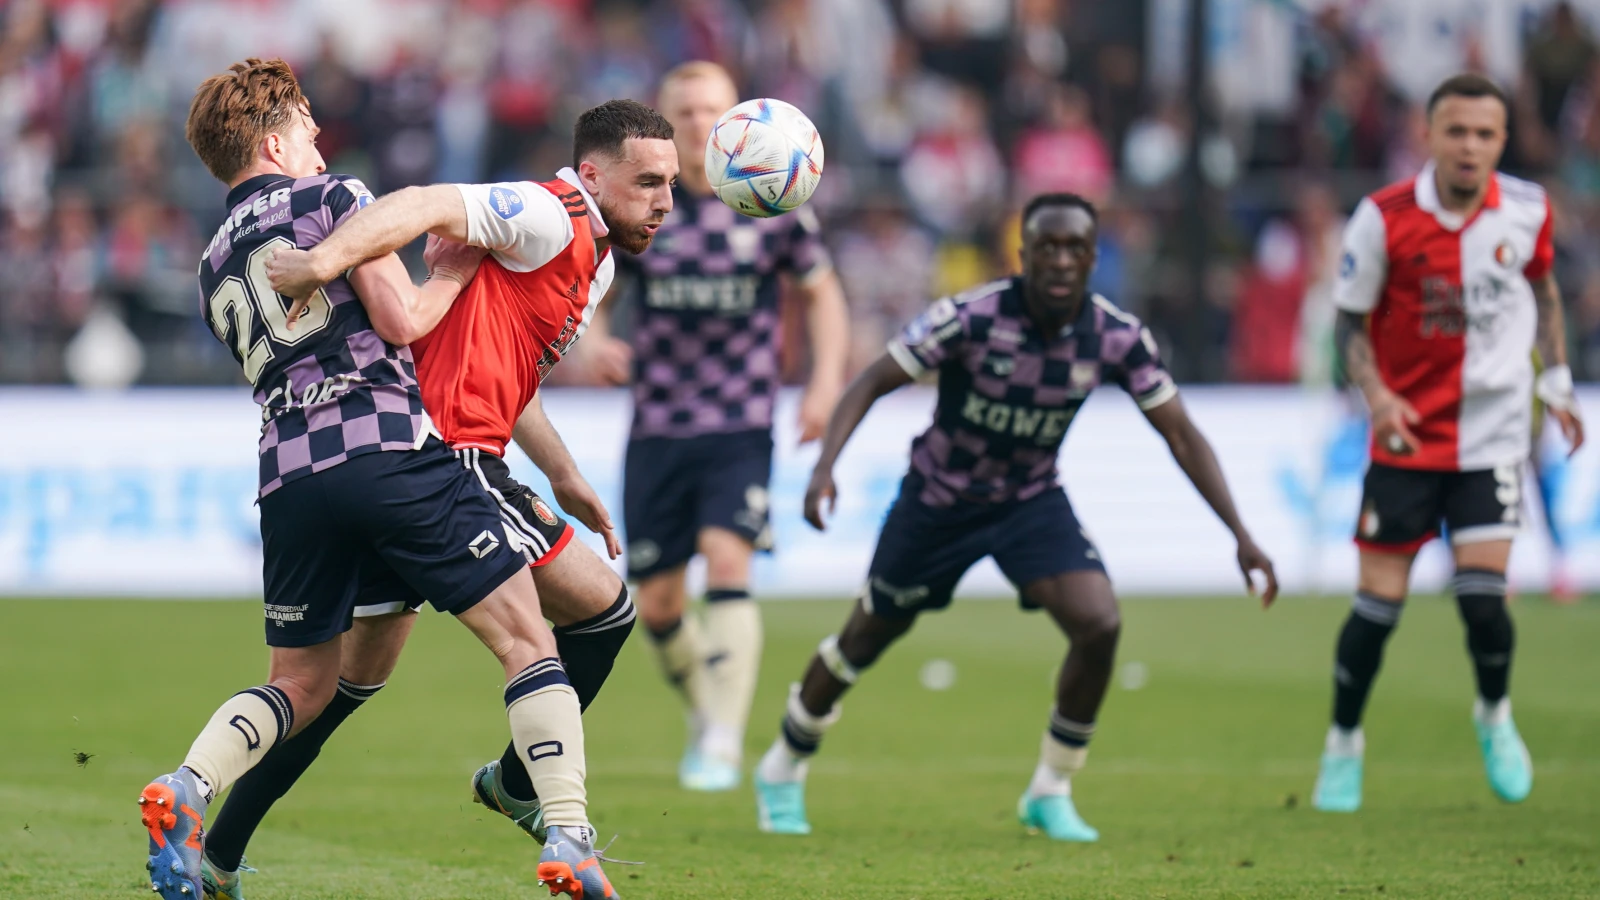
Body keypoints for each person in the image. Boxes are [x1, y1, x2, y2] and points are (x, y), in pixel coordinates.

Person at [143, 58, 621, 900]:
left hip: (287, 477)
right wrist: (449, 275)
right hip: (390, 453)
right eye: (306, 127)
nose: (319, 141)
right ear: (273, 139)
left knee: (300, 683)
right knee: (525, 639)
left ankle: (186, 788)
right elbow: (400, 321)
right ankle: (572, 835)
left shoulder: (212, 259)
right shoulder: (333, 200)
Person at [749, 193, 1279, 840]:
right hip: (939, 503)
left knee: (1099, 622)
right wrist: (825, 466)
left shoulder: (1117, 335)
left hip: (1029, 501)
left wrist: (1242, 534)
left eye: (1074, 248)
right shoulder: (969, 318)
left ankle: (1051, 789)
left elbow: (1182, 435)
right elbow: (870, 382)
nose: (1060, 260)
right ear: (1022, 255)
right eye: (1046, 248)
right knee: (866, 637)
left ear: (1092, 258)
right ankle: (783, 763)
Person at [261, 95, 678, 896]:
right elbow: (418, 204)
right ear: (592, 175)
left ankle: (214, 849)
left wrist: (562, 473)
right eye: (649, 182)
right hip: (443, 463)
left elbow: (510, 375)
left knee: (334, 692)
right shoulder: (543, 212)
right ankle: (543, 807)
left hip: (422, 461)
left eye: (672, 185)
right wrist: (321, 262)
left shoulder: (599, 261)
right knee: (582, 620)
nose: (664, 201)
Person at [1314, 73, 1585, 814]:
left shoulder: (1528, 210)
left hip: (1492, 437)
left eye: (1485, 133)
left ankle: (1494, 716)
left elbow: (1544, 287)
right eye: (1456, 131)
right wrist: (1377, 396)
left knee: (1483, 603)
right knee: (1377, 610)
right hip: (1404, 438)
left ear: (1503, 140)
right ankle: (1343, 740)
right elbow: (1348, 322)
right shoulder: (1382, 218)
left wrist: (1556, 378)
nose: (1470, 146)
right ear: (1429, 135)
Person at [582, 61, 849, 791]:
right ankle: (708, 712)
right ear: (663, 125)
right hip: (659, 424)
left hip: (741, 423)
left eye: (712, 110)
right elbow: (592, 287)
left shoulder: (772, 201)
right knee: (659, 602)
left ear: (738, 118)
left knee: (729, 563)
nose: (700, 124)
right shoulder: (642, 205)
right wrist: (595, 339)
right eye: (686, 112)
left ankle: (725, 740)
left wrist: (824, 384)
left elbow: (821, 294)